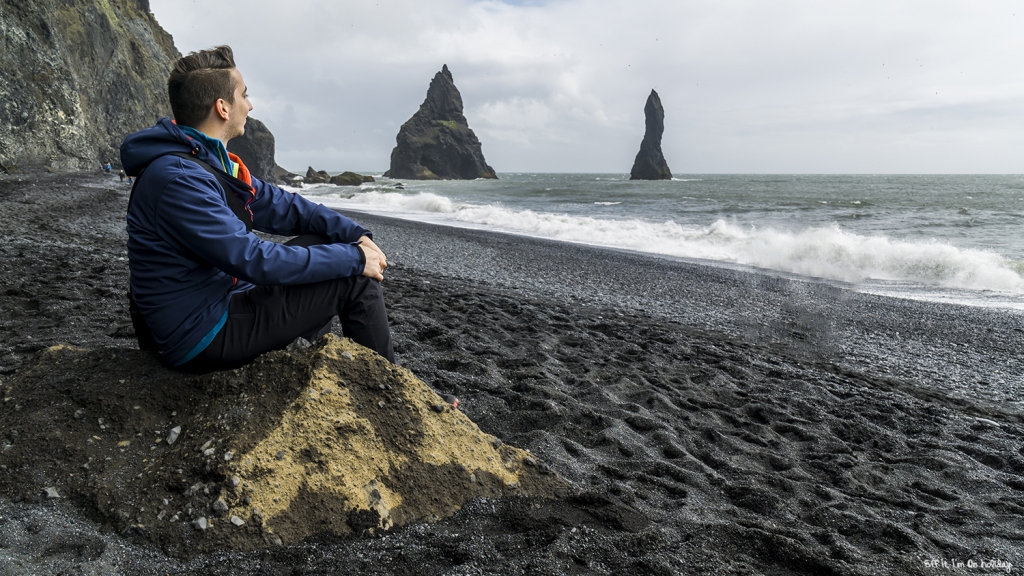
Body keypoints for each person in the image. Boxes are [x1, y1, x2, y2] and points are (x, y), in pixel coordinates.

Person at [120, 45, 393, 373]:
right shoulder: (179, 180)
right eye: (244, 95)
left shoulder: (204, 161)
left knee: (328, 243)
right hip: (198, 334)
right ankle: (394, 393)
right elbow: (252, 259)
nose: (249, 105)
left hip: (218, 300)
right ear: (222, 107)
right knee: (354, 279)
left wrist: (356, 236)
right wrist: (356, 260)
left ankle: (301, 359)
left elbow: (283, 205)